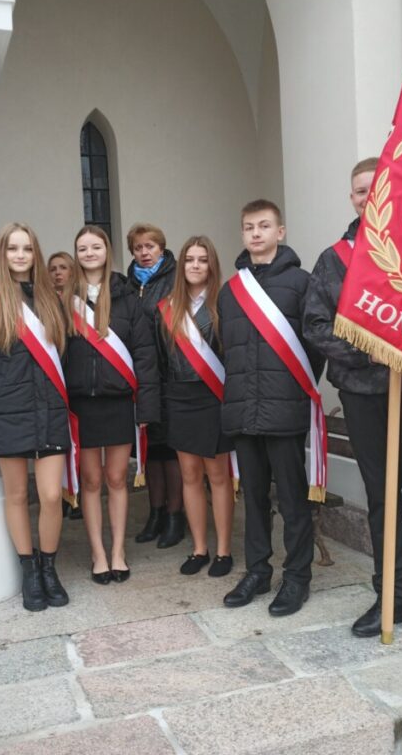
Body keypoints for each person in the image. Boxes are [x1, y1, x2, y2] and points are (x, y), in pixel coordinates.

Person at [302, 158, 402, 642]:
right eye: (360, 191)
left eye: (375, 189)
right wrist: (370, 354)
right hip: (364, 396)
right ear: (352, 199)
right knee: (383, 500)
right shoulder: (334, 259)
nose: (368, 197)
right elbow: (316, 326)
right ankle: (390, 596)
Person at [0, 223, 72, 612]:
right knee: (18, 495)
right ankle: (29, 571)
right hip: (9, 412)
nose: (20, 255)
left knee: (52, 495)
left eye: (26, 248)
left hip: (51, 410)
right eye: (12, 249)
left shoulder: (49, 299)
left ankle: (49, 567)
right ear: (1, 255)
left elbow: (62, 354)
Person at [218, 200, 323, 616]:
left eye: (264, 226)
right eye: (249, 227)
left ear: (280, 231)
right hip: (245, 410)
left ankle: (297, 577)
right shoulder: (231, 291)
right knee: (255, 497)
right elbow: (230, 350)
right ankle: (258, 571)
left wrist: (294, 392)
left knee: (293, 499)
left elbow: (313, 350)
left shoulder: (302, 283)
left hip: (285, 409)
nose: (256, 233)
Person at [65, 225, 159, 583]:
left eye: (95, 246)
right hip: (81, 406)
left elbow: (145, 356)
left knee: (117, 479)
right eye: (82, 248)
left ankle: (118, 551)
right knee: (90, 481)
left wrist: (147, 408)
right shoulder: (64, 300)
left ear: (107, 251)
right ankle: (98, 554)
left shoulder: (127, 299)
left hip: (119, 402)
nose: (89, 253)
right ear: (77, 254)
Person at [155, 235, 234, 577]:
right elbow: (161, 358)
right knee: (189, 475)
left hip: (212, 397)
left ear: (211, 265)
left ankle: (223, 551)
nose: (196, 265)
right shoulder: (168, 306)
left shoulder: (224, 304)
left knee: (217, 475)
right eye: (190, 259)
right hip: (180, 398)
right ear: (181, 265)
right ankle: (199, 548)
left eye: (202, 259)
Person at [125, 223, 185, 548]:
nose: (144, 253)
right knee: (152, 452)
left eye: (150, 246)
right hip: (143, 380)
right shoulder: (128, 284)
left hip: (171, 377)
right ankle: (156, 513)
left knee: (172, 452)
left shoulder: (176, 280)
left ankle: (176, 516)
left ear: (162, 248)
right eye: (138, 248)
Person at [48, 251, 83, 521]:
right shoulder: (43, 304)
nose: (58, 273)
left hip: (76, 380)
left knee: (78, 442)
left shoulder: (80, 305)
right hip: (53, 383)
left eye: (64, 268)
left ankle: (77, 495)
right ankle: (61, 495)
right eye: (53, 269)